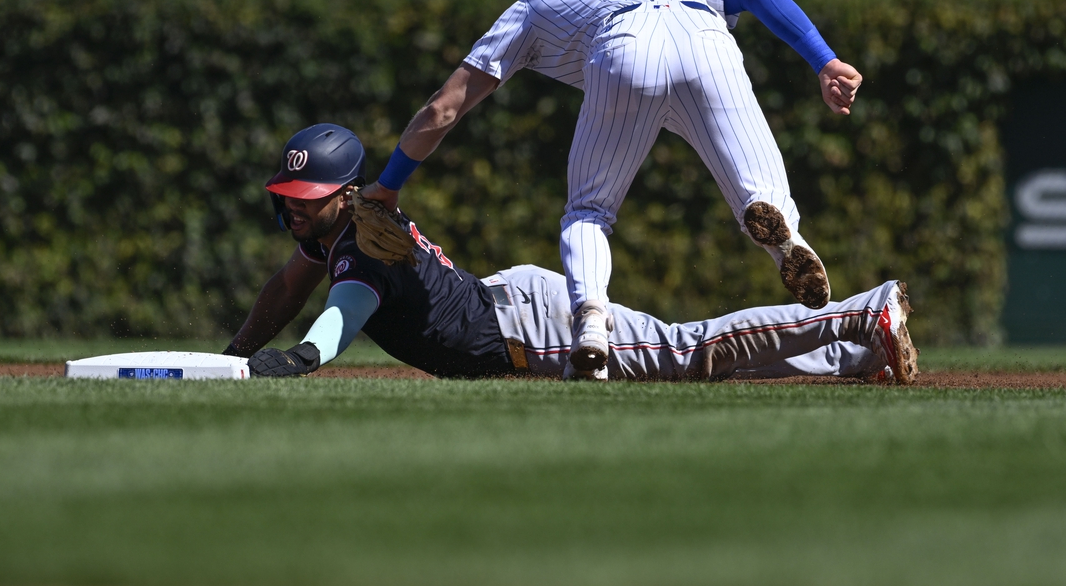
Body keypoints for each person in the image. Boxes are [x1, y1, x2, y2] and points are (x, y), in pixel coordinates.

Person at [361, 0, 864, 380]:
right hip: (708, 41)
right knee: (763, 193)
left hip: (624, 52)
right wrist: (825, 60)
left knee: (589, 212)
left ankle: (591, 327)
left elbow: (444, 108)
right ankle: (785, 239)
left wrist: (388, 184)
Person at [226, 124, 919, 385]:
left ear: (342, 194)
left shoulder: (359, 249)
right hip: (512, 306)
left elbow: (344, 307)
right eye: (285, 192)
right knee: (683, 355)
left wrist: (304, 357)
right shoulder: (344, 228)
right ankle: (856, 355)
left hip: (530, 335)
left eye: (304, 193)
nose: (291, 203)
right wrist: (238, 348)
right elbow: (290, 286)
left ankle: (862, 314)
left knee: (686, 350)